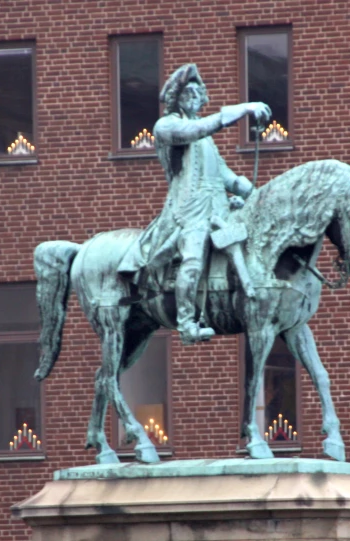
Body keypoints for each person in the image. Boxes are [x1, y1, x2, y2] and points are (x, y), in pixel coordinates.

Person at [117, 63, 271, 344]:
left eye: (197, 92)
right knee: (193, 257)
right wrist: (242, 110)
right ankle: (187, 323)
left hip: (218, 208)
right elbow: (196, 129)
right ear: (177, 98)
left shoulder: (206, 139)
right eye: (187, 92)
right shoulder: (167, 127)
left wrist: (255, 193)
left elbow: (227, 176)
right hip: (188, 210)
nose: (193, 96)